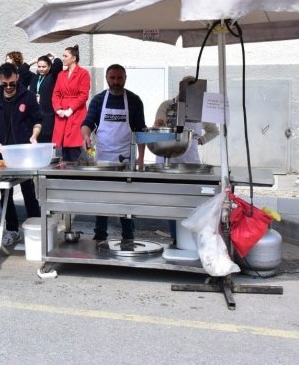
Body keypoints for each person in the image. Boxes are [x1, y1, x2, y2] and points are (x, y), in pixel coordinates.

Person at [81, 64, 146, 241]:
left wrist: (140, 158)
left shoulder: (134, 100)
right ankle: (100, 234)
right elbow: (87, 123)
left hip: (126, 159)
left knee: (126, 200)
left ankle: (128, 235)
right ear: (107, 79)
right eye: (112, 78)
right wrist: (86, 136)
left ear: (125, 78)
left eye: (119, 78)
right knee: (103, 198)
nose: (116, 82)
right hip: (103, 159)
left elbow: (140, 131)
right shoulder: (98, 100)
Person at [154, 75, 219, 241]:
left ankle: (190, 239)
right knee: (172, 203)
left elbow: (214, 131)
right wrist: (161, 124)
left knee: (191, 203)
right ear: (181, 88)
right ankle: (176, 238)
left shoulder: (200, 110)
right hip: (167, 160)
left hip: (190, 162)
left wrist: (201, 140)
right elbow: (157, 125)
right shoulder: (167, 105)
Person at [0, 63, 43, 246]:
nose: (9, 88)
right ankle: (11, 229)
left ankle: (36, 228)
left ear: (17, 78)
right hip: (4, 152)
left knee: (29, 191)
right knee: (5, 193)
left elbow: (38, 121)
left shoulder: (27, 96)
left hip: (24, 152)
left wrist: (34, 137)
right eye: (5, 84)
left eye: (11, 83)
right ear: (0, 81)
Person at [52, 45, 91, 161]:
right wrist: (58, 109)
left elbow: (84, 94)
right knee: (62, 147)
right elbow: (56, 93)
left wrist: (71, 109)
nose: (63, 58)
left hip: (76, 112)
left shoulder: (83, 73)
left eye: (65, 56)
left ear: (73, 58)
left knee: (75, 145)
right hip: (62, 113)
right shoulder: (61, 74)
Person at [29, 53, 63, 143]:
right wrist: (35, 60)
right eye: (39, 66)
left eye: (44, 67)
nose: (41, 69)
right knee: (35, 139)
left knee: (47, 140)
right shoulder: (34, 77)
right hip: (35, 113)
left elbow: (58, 65)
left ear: (49, 67)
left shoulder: (52, 76)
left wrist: (55, 56)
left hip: (47, 114)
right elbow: (22, 70)